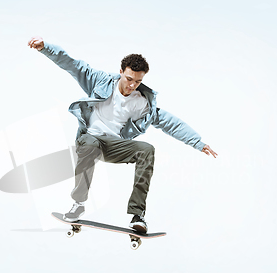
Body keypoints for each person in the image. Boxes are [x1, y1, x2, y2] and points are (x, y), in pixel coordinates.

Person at [28, 36, 217, 234]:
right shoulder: (99, 80)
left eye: (138, 81)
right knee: (91, 145)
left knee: (147, 150)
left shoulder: (141, 102)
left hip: (113, 146)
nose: (132, 85)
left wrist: (198, 142)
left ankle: (138, 215)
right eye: (129, 79)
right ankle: (79, 203)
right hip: (89, 140)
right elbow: (72, 64)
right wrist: (45, 48)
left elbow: (169, 122)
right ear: (121, 72)